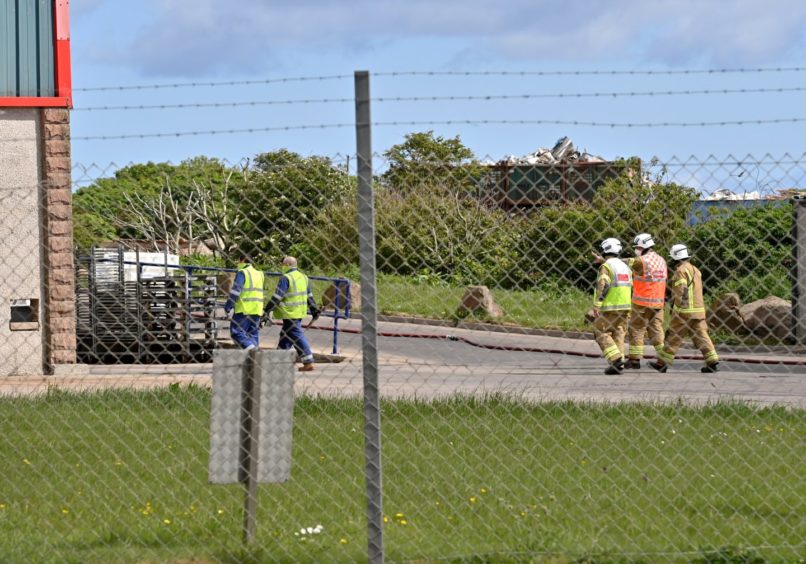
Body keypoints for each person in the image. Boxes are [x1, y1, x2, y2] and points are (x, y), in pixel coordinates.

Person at [650, 244, 720, 373]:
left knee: (673, 336)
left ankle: (662, 363)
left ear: (675, 258)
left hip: (684, 311)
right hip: (698, 310)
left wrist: (675, 309)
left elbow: (680, 291)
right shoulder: (695, 269)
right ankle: (712, 360)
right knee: (701, 335)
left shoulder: (680, 271)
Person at [263, 256, 321, 372]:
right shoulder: (304, 277)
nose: (282, 267)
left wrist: (266, 310)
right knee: (286, 336)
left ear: (288, 265)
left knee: (296, 334)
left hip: (289, 312)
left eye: (283, 265)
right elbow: (309, 296)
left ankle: (308, 361)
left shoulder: (286, 278)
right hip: (299, 311)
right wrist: (314, 310)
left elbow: (277, 297)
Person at [623, 233, 668, 369]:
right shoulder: (662, 260)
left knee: (636, 329)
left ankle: (634, 360)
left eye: (637, 247)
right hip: (658, 302)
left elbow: (625, 262)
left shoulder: (642, 260)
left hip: (642, 302)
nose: (636, 249)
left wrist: (606, 260)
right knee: (656, 330)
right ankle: (663, 360)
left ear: (643, 246)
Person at [592, 238, 632, 375]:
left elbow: (604, 284)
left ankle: (615, 359)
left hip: (610, 306)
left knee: (600, 331)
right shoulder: (624, 266)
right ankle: (618, 364)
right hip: (625, 306)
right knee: (618, 335)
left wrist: (597, 304)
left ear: (604, 250)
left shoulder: (606, 266)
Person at [223, 255, 265, 351]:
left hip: (244, 309)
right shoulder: (260, 274)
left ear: (242, 261)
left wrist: (228, 306)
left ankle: (253, 351)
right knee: (253, 334)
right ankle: (254, 359)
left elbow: (236, 291)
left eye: (239, 261)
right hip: (257, 309)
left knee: (236, 332)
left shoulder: (243, 273)